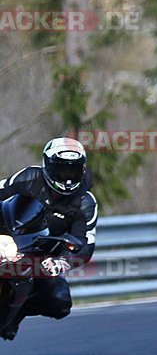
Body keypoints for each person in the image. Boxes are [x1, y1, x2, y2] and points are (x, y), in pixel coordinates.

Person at [0, 137, 97, 340]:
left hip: (43, 258)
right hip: (8, 239)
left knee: (60, 302)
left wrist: (62, 262)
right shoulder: (28, 177)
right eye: (62, 170)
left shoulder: (85, 203)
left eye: (73, 170)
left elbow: (85, 244)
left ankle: (16, 315)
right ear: (48, 165)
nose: (67, 177)